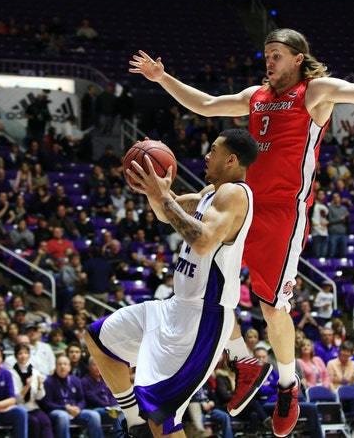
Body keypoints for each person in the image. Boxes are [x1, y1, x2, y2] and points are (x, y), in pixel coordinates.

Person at [128, 29, 354, 437]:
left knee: (271, 308)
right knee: (206, 287)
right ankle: (244, 362)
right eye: (266, 54)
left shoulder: (314, 91)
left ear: (298, 58)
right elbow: (207, 104)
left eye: (277, 55)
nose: (268, 61)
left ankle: (288, 385)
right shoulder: (256, 95)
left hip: (284, 213)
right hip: (242, 202)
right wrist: (162, 77)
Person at [85, 129, 258, 438]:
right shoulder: (210, 193)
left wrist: (164, 197)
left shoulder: (234, 193)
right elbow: (171, 212)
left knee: (162, 418)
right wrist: (154, 191)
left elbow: (203, 241)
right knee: (99, 339)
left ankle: (144, 423)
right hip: (174, 307)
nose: (207, 155)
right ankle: (134, 424)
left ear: (231, 159)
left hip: (201, 317)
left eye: (214, 150)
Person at [40, 355, 105, 438]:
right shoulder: (49, 381)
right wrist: (65, 408)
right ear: (55, 367)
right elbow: (47, 403)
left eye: (65, 364)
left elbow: (82, 399)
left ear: (70, 367)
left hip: (75, 410)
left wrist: (78, 408)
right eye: (60, 364)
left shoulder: (76, 380)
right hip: (58, 410)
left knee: (94, 415)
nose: (62, 366)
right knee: (63, 416)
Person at [8, 343, 53, 438]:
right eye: (20, 353)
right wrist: (27, 386)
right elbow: (17, 399)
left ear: (29, 355)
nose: (23, 356)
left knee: (46, 421)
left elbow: (39, 397)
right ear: (16, 356)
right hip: (21, 408)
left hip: (33, 407)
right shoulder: (12, 374)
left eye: (25, 353)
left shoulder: (34, 372)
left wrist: (40, 385)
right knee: (34, 423)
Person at [80, 356, 127, 438]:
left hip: (111, 409)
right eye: (94, 365)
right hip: (96, 409)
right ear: (89, 367)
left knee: (120, 412)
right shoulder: (84, 381)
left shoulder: (105, 379)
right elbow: (92, 397)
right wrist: (108, 406)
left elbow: (112, 395)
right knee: (115, 413)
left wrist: (113, 406)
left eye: (99, 364)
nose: (97, 367)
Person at [308, 189, 329, 258]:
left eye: (322, 194)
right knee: (316, 253)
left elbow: (328, 218)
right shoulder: (313, 205)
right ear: (316, 195)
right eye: (319, 194)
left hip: (324, 232)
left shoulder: (325, 206)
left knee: (324, 253)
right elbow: (309, 217)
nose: (321, 195)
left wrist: (328, 221)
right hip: (315, 232)